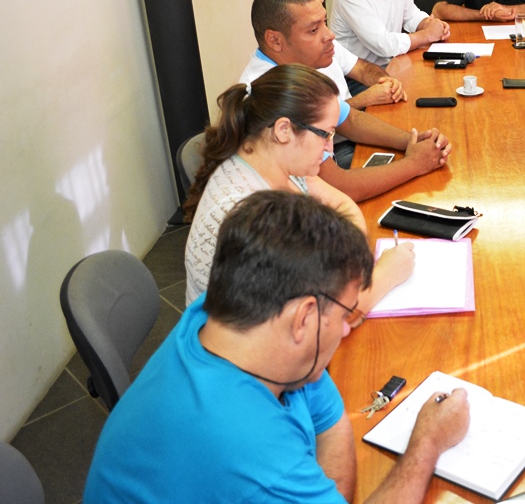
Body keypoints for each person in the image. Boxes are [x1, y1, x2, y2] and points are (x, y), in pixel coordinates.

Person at [86, 191, 470, 502]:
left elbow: (330, 422)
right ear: (302, 318)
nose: (347, 328)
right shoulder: (248, 449)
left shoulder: (224, 316)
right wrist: (428, 441)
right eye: (345, 313)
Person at [182, 63, 412, 315]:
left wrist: (347, 263)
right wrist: (389, 273)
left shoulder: (272, 158)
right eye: (324, 135)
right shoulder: (252, 216)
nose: (330, 148)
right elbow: (330, 314)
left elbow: (343, 204)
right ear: (283, 130)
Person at [244, 0, 451, 196]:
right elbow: (339, 187)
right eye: (313, 30)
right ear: (275, 40)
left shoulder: (295, 71)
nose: (330, 35)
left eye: (324, 23)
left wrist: (414, 141)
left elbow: (349, 120)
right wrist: (416, 163)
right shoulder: (273, 93)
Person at [260, 0, 407, 110]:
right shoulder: (268, 82)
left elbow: (363, 69)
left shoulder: (324, 39)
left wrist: (388, 82)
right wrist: (365, 99)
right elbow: (317, 124)